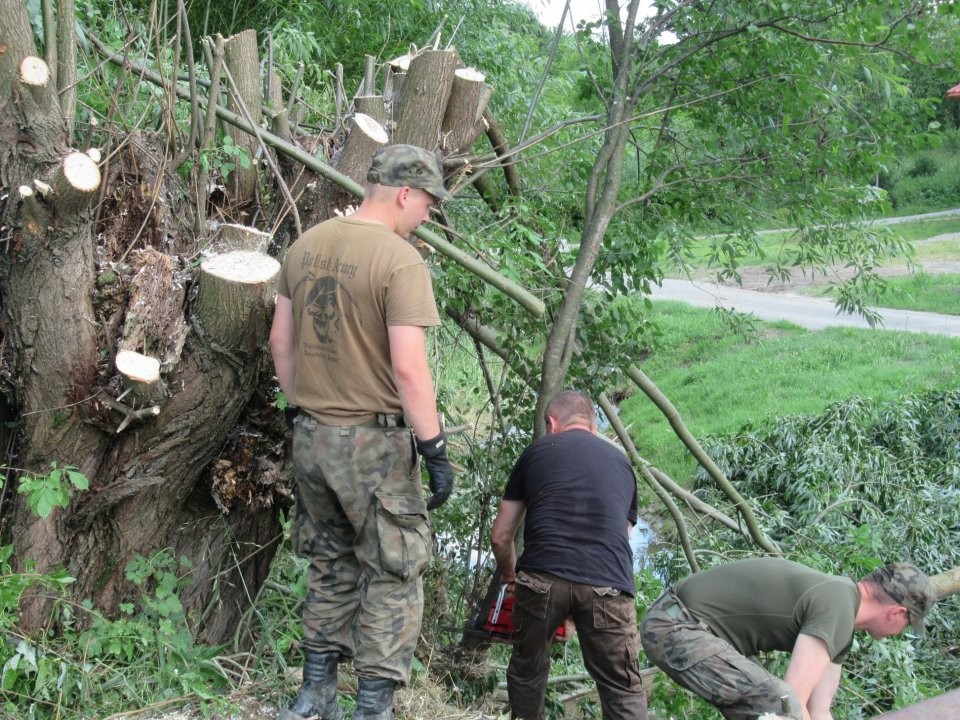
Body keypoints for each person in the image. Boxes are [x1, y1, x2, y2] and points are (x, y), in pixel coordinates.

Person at [269, 144, 456, 720]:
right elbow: (409, 369)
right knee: (394, 571)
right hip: (372, 446)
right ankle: (372, 708)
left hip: (311, 439)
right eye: (427, 203)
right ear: (405, 193)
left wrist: (307, 406)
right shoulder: (401, 262)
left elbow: (282, 341)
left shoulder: (305, 246)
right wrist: (435, 447)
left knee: (330, 562)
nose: (427, 214)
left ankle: (313, 696)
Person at [490, 390, 649, 720]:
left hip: (541, 579)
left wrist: (510, 575)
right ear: (593, 426)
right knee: (622, 688)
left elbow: (501, 536)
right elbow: (619, 540)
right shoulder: (622, 464)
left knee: (528, 670)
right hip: (608, 584)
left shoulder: (536, 452)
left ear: (552, 423)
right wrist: (580, 600)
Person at [640, 557, 937, 720]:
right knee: (777, 702)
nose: (901, 633)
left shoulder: (842, 618)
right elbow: (791, 698)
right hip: (676, 626)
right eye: (908, 625)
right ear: (897, 613)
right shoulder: (837, 604)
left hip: (691, 630)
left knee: (774, 705)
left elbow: (819, 709)